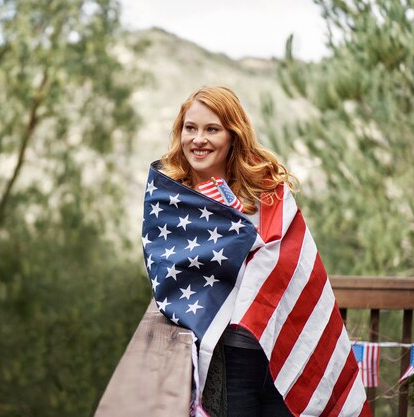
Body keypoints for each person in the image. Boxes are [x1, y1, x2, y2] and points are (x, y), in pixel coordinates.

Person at [141, 86, 370, 417]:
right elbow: (168, 271)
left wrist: (248, 247)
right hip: (232, 358)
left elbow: (294, 262)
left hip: (284, 351)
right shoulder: (171, 202)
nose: (198, 139)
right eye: (190, 128)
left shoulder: (268, 191)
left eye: (212, 129)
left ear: (233, 135)